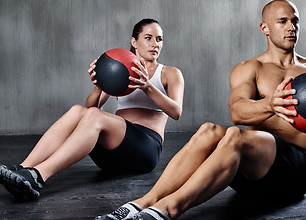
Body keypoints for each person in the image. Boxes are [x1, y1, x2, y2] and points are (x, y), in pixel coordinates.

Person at [95, 0, 306, 220]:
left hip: (293, 174)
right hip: (249, 173)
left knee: (235, 137)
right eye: (283, 21)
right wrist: (270, 104)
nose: (291, 27)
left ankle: (166, 210)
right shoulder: (249, 68)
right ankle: (144, 202)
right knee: (209, 130)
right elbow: (238, 113)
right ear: (264, 27)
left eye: (295, 21)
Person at [0, 18, 185, 200]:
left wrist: (147, 87)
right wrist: (99, 86)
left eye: (159, 39)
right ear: (134, 42)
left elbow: (176, 112)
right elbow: (89, 110)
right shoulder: (123, 68)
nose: (155, 44)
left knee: (94, 116)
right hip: (112, 153)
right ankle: (22, 169)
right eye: (148, 38)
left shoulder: (169, 73)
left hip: (145, 150)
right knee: (77, 110)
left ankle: (38, 176)